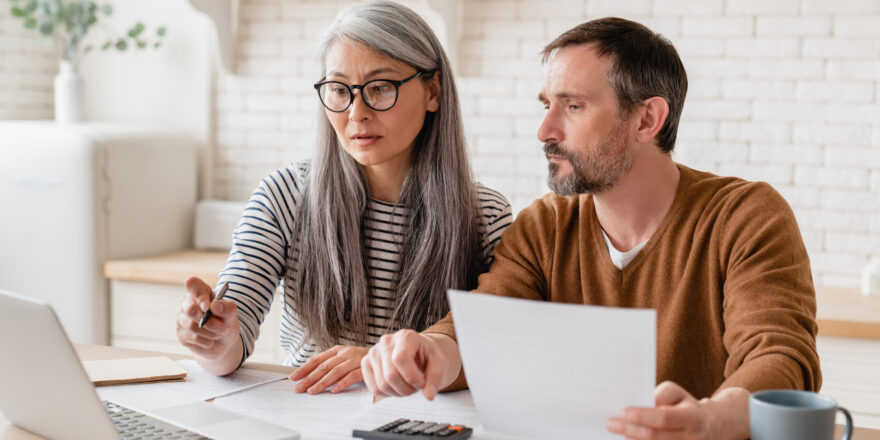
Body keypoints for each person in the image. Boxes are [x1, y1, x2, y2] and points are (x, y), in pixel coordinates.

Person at [360, 17, 821, 440]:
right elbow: (484, 327)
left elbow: (780, 359)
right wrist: (428, 352)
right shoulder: (545, 225)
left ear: (647, 119)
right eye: (546, 106)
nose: (544, 130)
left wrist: (708, 419)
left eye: (573, 106)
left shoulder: (744, 216)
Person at [175, 0, 512, 395]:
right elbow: (231, 342)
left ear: (433, 90)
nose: (357, 112)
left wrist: (378, 365)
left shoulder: (485, 215)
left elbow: (495, 352)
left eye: (381, 88)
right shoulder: (285, 194)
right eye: (339, 90)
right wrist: (213, 337)